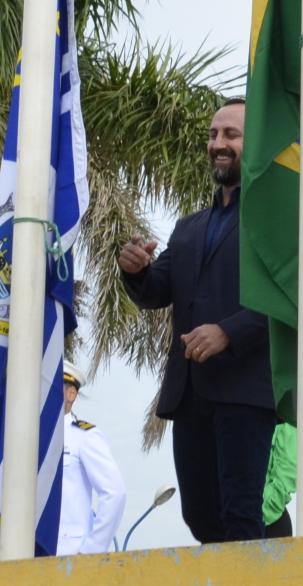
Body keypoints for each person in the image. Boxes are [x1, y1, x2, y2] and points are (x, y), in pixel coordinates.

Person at [117, 100, 285, 544]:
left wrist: (229, 332)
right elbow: (158, 289)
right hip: (190, 393)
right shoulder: (188, 227)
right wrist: (135, 270)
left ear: (256, 143)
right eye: (213, 135)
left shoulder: (279, 216)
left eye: (231, 134)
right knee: (199, 516)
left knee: (242, 513)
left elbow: (291, 299)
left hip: (246, 389)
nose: (218, 144)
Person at [55, 369, 127, 555]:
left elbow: (114, 493)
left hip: (69, 553)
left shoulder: (83, 437)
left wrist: (91, 551)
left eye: (52, 387)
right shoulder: (25, 440)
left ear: (71, 394)